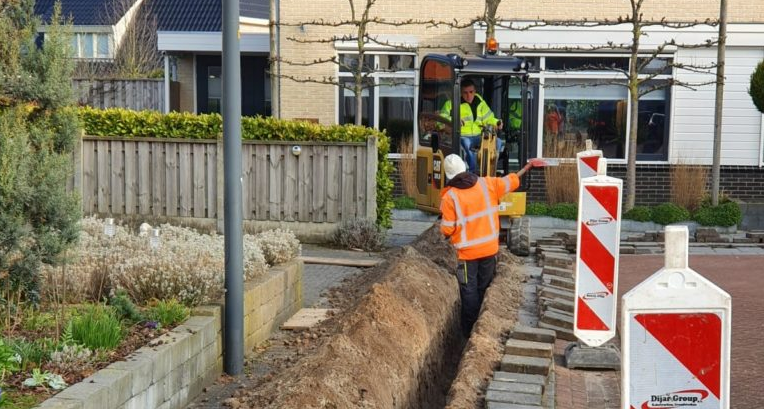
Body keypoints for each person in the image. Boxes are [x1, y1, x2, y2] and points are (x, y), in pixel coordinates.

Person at [439, 154, 542, 337]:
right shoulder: (487, 184)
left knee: (468, 290)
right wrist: (527, 168)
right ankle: (483, 324)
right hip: (489, 250)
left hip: (466, 255)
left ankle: (470, 330)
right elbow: (511, 180)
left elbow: (447, 230)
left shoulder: (450, 197)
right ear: (465, 167)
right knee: (484, 286)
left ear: (448, 175)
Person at [440, 80, 503, 173]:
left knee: (497, 141)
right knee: (467, 146)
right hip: (462, 136)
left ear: (475, 92)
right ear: (460, 93)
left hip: (478, 135)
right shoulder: (451, 103)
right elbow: (441, 119)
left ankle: (490, 170)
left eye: (471, 92)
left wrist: (497, 122)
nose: (468, 95)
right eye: (465, 93)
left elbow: (489, 118)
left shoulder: (480, 102)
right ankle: (472, 173)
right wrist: (454, 120)